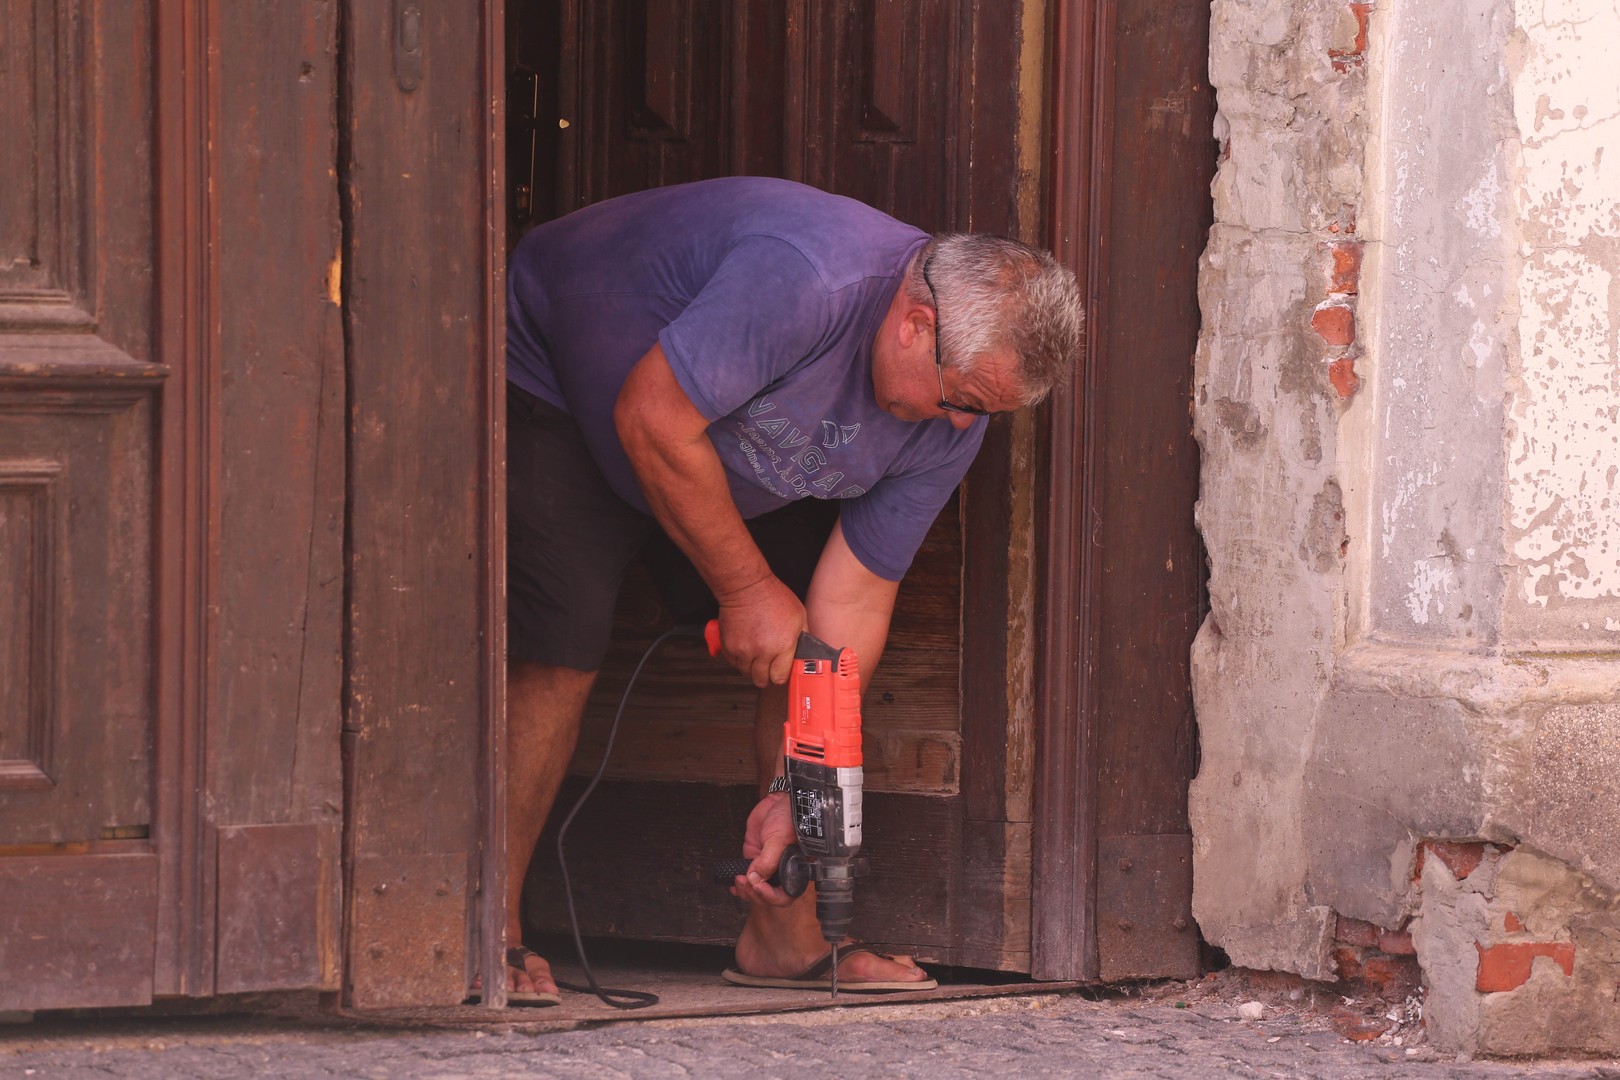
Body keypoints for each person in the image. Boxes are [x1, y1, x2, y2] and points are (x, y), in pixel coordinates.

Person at [501, 176, 1083, 1002]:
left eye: (984, 413)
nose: (962, 426)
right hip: (566, 383)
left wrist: (794, 792)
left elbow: (851, 611)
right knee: (562, 635)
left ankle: (785, 936)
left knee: (808, 656)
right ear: (917, 326)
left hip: (720, 447)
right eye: (961, 400)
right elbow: (653, 418)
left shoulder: (954, 420)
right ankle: (488, 924)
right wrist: (743, 588)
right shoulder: (810, 281)